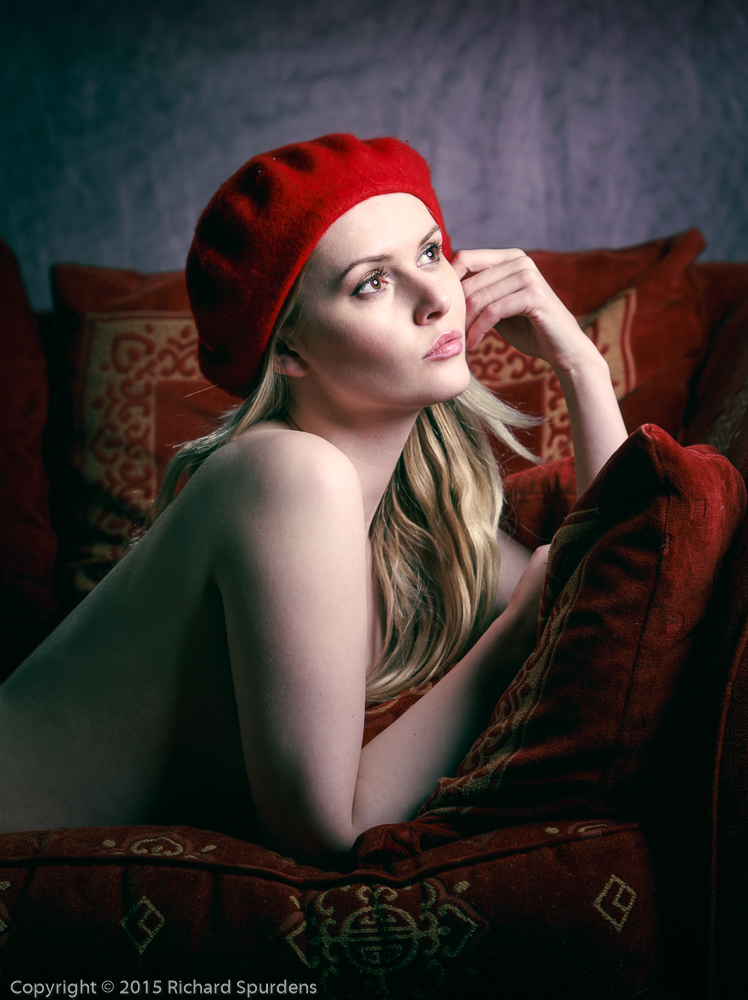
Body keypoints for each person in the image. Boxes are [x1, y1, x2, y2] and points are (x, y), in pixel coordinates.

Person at [0, 134, 627, 863]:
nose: (433, 299)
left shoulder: (414, 527)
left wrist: (579, 362)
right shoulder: (286, 475)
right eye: (371, 283)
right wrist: (518, 627)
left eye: (429, 254)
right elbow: (327, 834)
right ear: (289, 352)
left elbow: (618, 582)